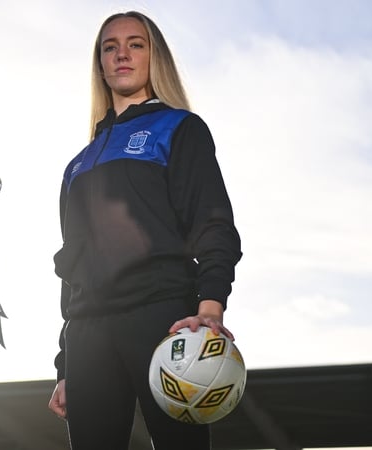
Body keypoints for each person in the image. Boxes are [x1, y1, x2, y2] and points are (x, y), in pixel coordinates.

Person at [47, 11, 242, 450]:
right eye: (110, 46)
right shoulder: (78, 164)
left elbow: (212, 222)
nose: (122, 54)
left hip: (164, 318)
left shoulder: (179, 129)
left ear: (155, 57)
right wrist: (65, 366)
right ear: (99, 63)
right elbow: (72, 266)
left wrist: (210, 310)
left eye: (136, 44)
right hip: (89, 334)